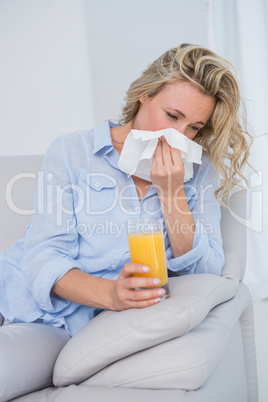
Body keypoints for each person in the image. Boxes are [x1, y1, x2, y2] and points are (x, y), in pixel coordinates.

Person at [0, 44, 251, 339]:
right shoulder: (72, 151)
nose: (179, 136)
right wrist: (112, 294)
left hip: (85, 332)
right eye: (172, 116)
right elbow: (43, 256)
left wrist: (172, 195)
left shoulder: (199, 171)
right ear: (143, 95)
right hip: (17, 299)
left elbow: (208, 272)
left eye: (194, 127)